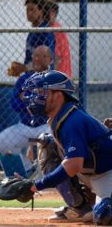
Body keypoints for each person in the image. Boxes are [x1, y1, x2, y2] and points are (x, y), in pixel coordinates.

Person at [22, 70, 112, 223]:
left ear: (58, 96)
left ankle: (96, 202)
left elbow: (73, 165)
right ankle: (81, 208)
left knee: (104, 214)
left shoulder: (72, 120)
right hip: (96, 172)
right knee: (48, 143)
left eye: (43, 92)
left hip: (107, 174)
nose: (36, 97)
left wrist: (35, 186)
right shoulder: (62, 116)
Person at [0, 45, 53, 174]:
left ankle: (46, 174)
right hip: (25, 126)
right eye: (36, 56)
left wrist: (27, 98)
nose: (38, 59)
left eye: (43, 56)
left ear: (50, 60)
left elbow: (49, 104)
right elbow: (14, 103)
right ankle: (26, 169)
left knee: (50, 140)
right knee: (1, 141)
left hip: (46, 125)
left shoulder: (55, 78)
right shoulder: (24, 78)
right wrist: (32, 102)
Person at [9, 0, 55, 77]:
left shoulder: (45, 31)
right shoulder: (32, 32)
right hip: (32, 77)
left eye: (32, 9)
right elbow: (31, 58)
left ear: (41, 11)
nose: (29, 13)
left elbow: (45, 60)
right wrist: (21, 67)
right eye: (27, 10)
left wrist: (24, 68)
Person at [45, 0, 72, 78]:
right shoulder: (52, 28)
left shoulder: (56, 30)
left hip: (60, 74)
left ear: (52, 13)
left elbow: (57, 58)